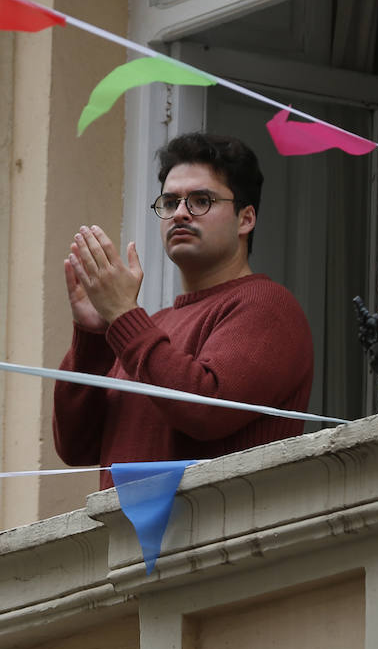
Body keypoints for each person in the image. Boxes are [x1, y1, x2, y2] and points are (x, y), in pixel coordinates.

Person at [53, 132, 313, 488]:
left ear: (246, 219)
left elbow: (205, 409)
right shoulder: (150, 328)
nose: (180, 213)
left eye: (201, 200)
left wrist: (124, 316)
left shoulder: (268, 306)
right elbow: (75, 445)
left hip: (222, 539)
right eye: (170, 201)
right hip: (132, 540)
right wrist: (93, 337)